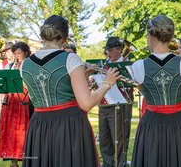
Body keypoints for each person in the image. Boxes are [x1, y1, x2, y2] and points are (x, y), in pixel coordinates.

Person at [21, 15, 121, 167]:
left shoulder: (25, 64)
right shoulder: (71, 59)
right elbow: (86, 104)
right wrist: (107, 83)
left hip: (38, 126)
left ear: (43, 36)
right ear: (65, 38)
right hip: (68, 125)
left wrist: (83, 76)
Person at [130, 15, 181, 167]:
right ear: (171, 37)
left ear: (150, 37)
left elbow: (144, 92)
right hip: (180, 124)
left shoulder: (138, 67)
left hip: (151, 124)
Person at [99, 36, 133, 167]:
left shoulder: (128, 64)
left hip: (120, 104)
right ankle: (107, 164)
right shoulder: (104, 64)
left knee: (119, 138)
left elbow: (131, 86)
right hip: (104, 103)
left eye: (110, 50)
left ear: (120, 50)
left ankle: (120, 164)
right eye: (107, 50)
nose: (108, 53)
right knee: (104, 137)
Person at [0, 42, 31, 167]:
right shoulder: (9, 66)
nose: (16, 56)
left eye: (19, 53)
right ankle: (13, 163)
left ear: (26, 53)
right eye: (15, 53)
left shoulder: (29, 66)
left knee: (24, 130)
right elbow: (3, 85)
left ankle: (27, 159)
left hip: (25, 101)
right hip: (11, 101)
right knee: (10, 131)